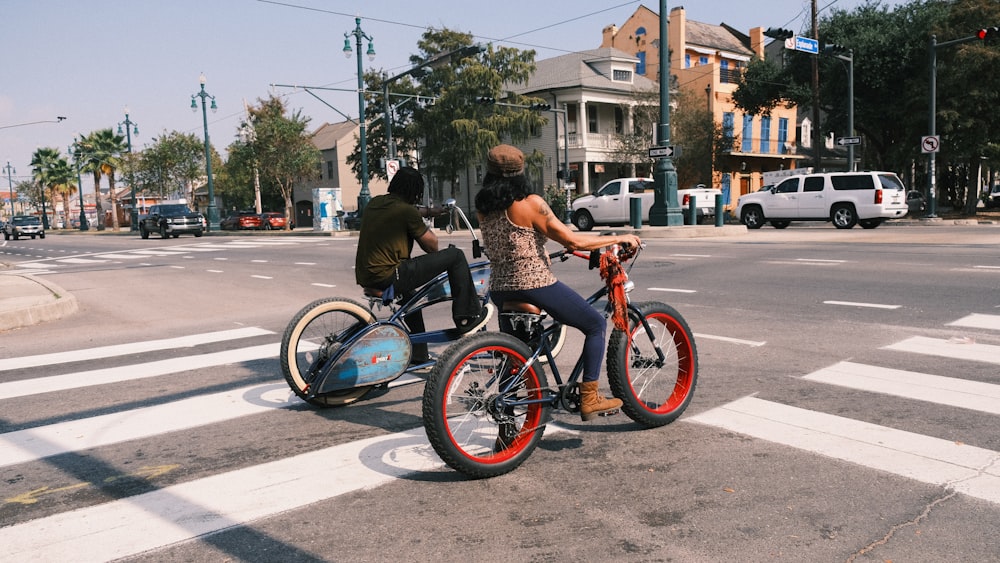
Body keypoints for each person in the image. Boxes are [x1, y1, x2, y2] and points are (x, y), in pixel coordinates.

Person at [475, 144, 643, 421]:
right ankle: (589, 397)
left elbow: (515, 242)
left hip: (500, 288)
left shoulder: (485, 208)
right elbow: (574, 239)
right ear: (520, 173)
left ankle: (507, 428)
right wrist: (617, 238)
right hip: (533, 283)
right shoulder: (531, 203)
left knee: (515, 355)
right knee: (594, 324)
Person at [355, 167, 490, 362]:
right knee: (455, 255)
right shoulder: (407, 212)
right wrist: (422, 219)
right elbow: (432, 246)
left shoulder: (375, 203)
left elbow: (405, 210)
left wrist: (429, 212)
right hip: (389, 275)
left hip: (367, 275)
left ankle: (419, 354)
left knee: (412, 301)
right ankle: (466, 317)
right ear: (416, 192)